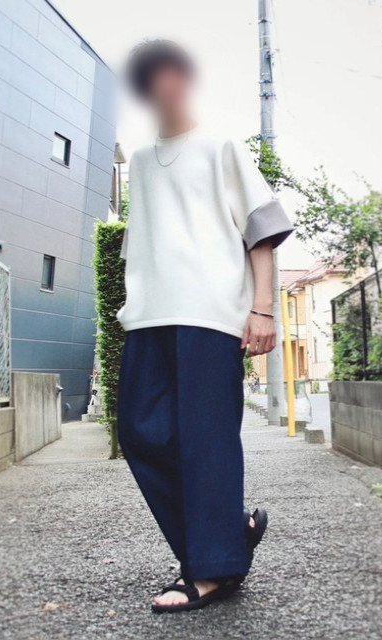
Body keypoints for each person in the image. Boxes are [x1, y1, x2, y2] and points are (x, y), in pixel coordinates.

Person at [117, 39, 293, 613]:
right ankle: (228, 532)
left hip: (211, 315)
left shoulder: (221, 146)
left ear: (186, 80)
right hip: (149, 315)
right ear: (144, 90)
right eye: (153, 78)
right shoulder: (141, 162)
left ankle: (212, 569)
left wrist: (262, 309)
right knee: (140, 433)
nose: (165, 85)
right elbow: (142, 244)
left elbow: (260, 229)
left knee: (205, 440)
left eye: (173, 74)